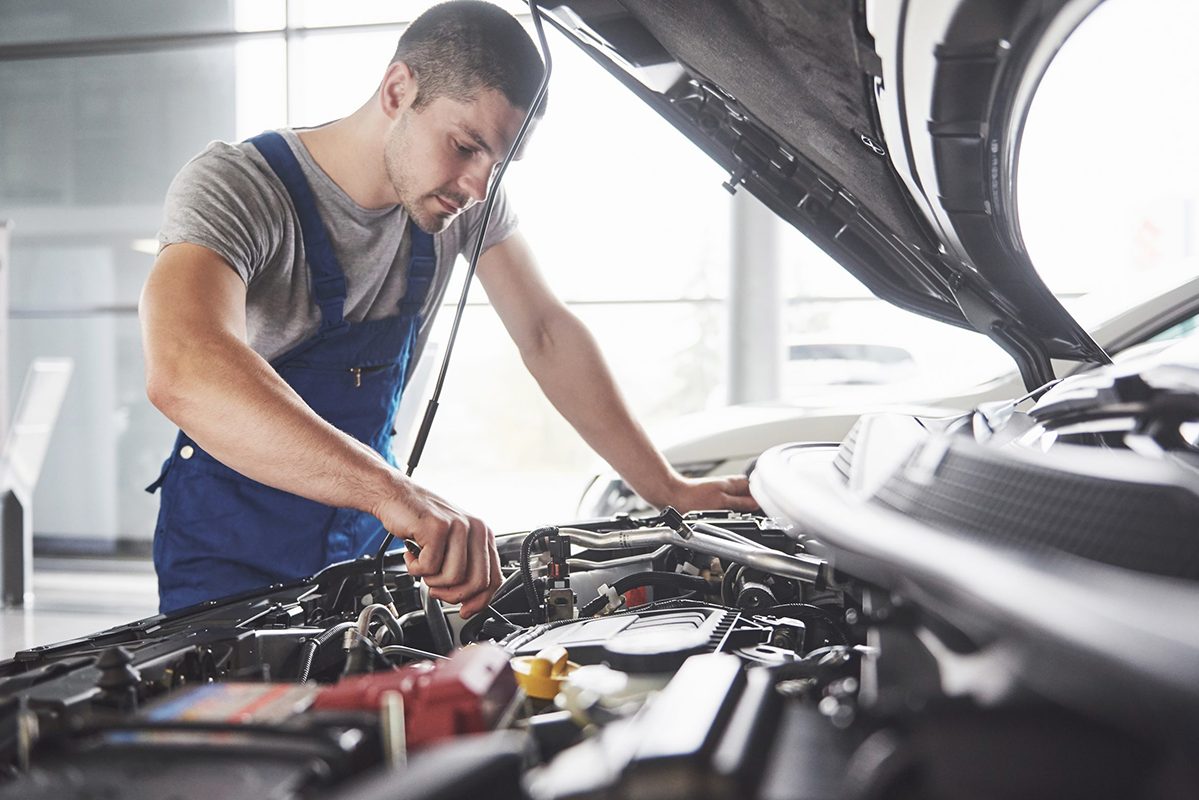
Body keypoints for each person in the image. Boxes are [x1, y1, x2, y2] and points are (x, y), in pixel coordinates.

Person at [140, 0, 755, 618]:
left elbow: (545, 333)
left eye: (498, 163)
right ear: (398, 89)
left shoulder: (454, 205)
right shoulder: (239, 188)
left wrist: (668, 490)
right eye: (465, 146)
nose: (478, 188)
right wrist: (392, 492)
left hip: (357, 543)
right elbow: (184, 367)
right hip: (228, 549)